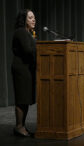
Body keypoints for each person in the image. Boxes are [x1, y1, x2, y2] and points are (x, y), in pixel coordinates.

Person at [11, 9, 36, 137]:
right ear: (24, 19)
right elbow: (27, 50)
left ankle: (22, 126)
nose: (33, 20)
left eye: (34, 17)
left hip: (27, 69)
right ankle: (18, 126)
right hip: (21, 69)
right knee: (22, 99)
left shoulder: (28, 33)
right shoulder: (21, 32)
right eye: (30, 17)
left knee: (25, 99)